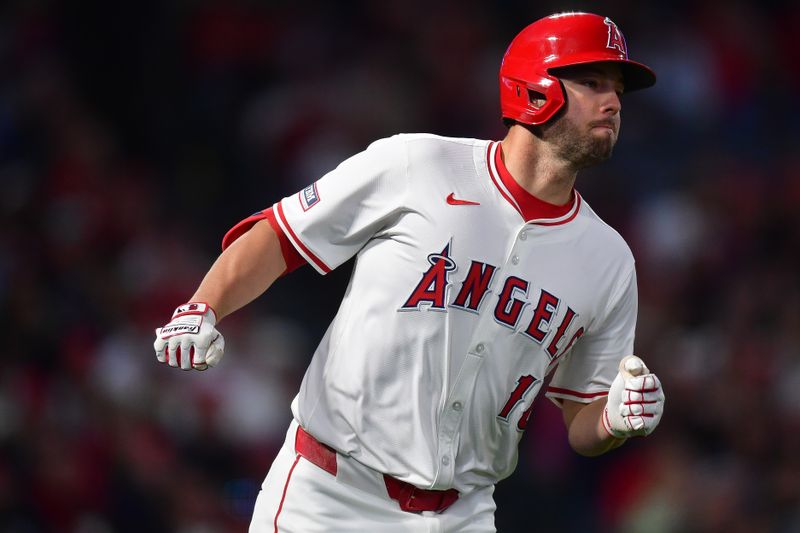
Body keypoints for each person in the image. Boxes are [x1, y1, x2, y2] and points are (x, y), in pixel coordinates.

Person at [154, 12, 665, 533]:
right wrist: (203, 306)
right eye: (592, 82)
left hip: (463, 512)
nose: (614, 103)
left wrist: (612, 421)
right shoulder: (416, 165)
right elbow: (281, 236)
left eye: (618, 89)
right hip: (330, 497)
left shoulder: (609, 259)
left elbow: (583, 414)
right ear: (534, 88)